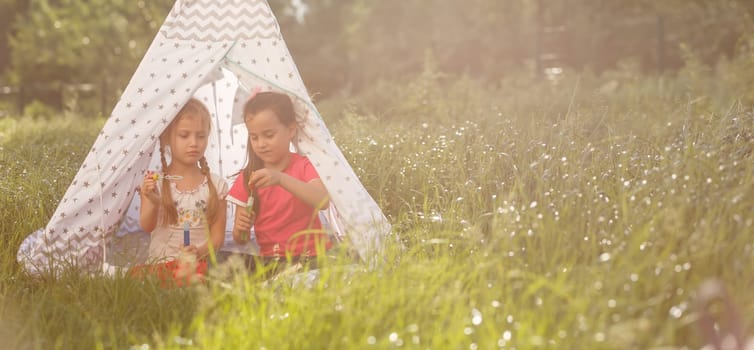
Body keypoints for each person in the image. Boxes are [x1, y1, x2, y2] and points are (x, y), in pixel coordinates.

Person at [228, 91, 331, 274]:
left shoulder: (303, 165)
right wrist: (240, 228)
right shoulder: (249, 178)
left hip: (313, 257)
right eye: (254, 137)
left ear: (291, 130)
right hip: (272, 262)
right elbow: (240, 238)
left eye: (268, 135)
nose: (261, 144)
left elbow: (323, 201)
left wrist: (281, 179)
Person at [133, 98, 228, 286]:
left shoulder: (216, 186)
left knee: (200, 278)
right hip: (162, 266)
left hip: (197, 265)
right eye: (184, 135)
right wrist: (153, 201)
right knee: (136, 277)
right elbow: (147, 226)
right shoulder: (155, 183)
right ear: (167, 138)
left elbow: (217, 240)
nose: (194, 143)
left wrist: (197, 252)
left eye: (200, 136)